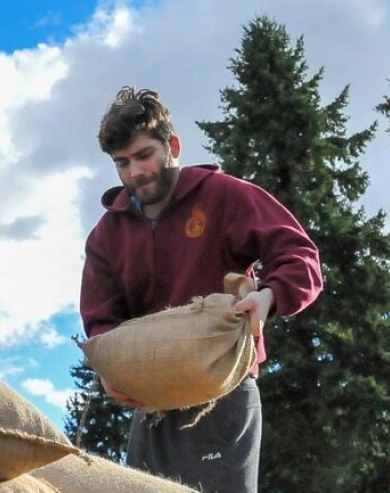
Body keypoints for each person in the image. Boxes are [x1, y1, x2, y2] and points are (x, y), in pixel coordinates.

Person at [79, 85, 323, 493]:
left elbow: (301, 256)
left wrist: (270, 296)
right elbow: (100, 319)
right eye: (122, 163)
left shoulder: (225, 196)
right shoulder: (106, 235)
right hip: (151, 405)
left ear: (172, 145)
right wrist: (109, 371)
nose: (135, 171)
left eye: (144, 156)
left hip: (224, 391)